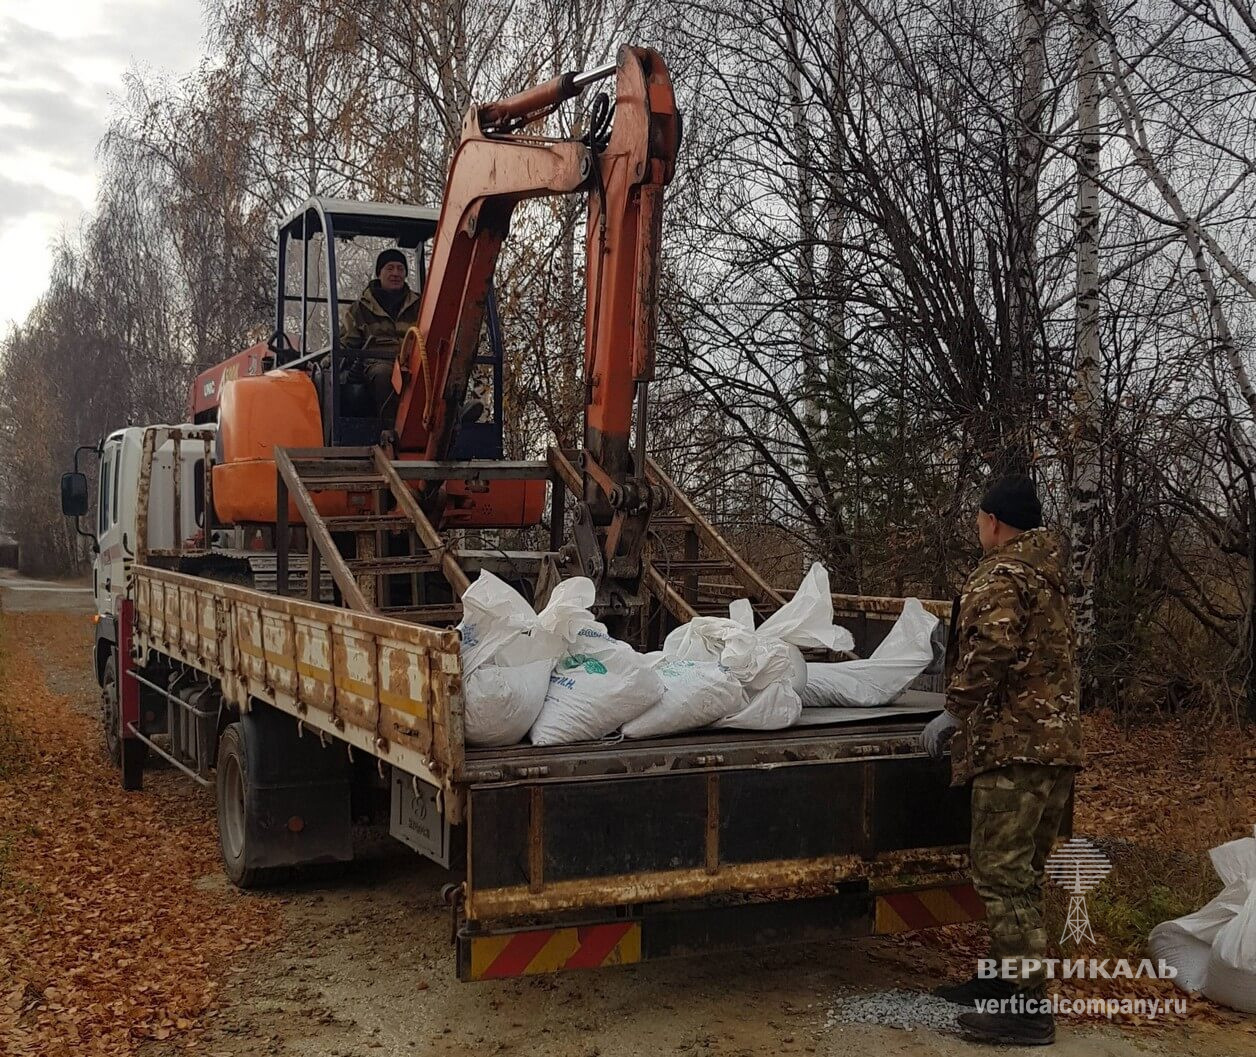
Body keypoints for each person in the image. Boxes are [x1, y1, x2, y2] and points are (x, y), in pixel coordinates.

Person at [921, 474, 1083, 1047]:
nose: (977, 527)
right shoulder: (1049, 576)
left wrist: (955, 711)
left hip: (1014, 747)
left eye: (979, 518)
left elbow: (993, 646)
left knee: (1000, 873)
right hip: (1056, 749)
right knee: (1022, 875)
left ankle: (1026, 1008)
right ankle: (998, 983)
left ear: (993, 522)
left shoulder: (1001, 574)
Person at [340, 248, 419, 417]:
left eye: (400, 268)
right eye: (390, 268)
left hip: (414, 361)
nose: (396, 273)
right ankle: (392, 427)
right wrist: (328, 362)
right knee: (384, 374)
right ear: (378, 273)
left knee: (441, 371)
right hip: (377, 361)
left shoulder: (420, 305)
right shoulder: (361, 308)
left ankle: (453, 418)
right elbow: (347, 341)